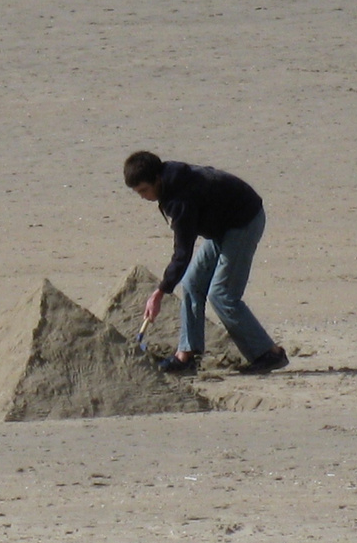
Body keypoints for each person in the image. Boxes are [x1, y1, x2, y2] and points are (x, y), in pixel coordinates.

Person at [123, 150, 289, 375]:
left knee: (222, 294)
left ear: (157, 179)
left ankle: (269, 353)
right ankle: (187, 355)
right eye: (137, 192)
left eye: (144, 190)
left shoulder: (180, 197)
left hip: (244, 221)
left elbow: (183, 252)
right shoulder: (169, 179)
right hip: (221, 227)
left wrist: (160, 292)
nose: (143, 196)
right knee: (192, 283)